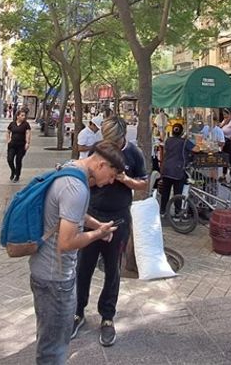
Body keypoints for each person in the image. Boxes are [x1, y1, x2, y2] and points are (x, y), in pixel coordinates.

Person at [29, 142, 124, 365]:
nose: (111, 182)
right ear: (101, 165)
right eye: (112, 176)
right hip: (55, 278)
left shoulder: (71, 169)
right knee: (54, 348)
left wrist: (97, 225)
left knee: (49, 337)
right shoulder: (77, 188)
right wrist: (97, 235)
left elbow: (72, 214)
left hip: (47, 271)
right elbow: (67, 242)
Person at [74, 117, 148, 348]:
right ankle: (77, 312)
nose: (111, 146)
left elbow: (144, 183)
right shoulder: (99, 150)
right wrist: (100, 179)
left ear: (123, 136)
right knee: (83, 266)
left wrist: (125, 179)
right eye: (107, 140)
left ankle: (107, 316)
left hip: (119, 218)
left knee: (113, 269)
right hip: (93, 214)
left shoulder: (134, 153)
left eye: (114, 141)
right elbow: (86, 179)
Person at [159, 123, 193, 214]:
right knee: (178, 193)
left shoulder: (168, 140)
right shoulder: (185, 142)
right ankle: (177, 212)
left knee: (165, 192)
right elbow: (196, 149)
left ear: (172, 132)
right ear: (182, 132)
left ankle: (162, 211)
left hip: (166, 169)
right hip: (178, 171)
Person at [7, 110, 32, 182]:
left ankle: (17, 175)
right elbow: (8, 132)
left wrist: (27, 143)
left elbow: (28, 133)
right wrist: (8, 140)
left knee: (18, 160)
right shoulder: (12, 124)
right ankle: (13, 171)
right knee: (10, 159)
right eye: (22, 115)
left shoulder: (26, 124)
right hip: (12, 145)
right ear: (17, 116)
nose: (23, 117)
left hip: (21, 146)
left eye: (24, 115)